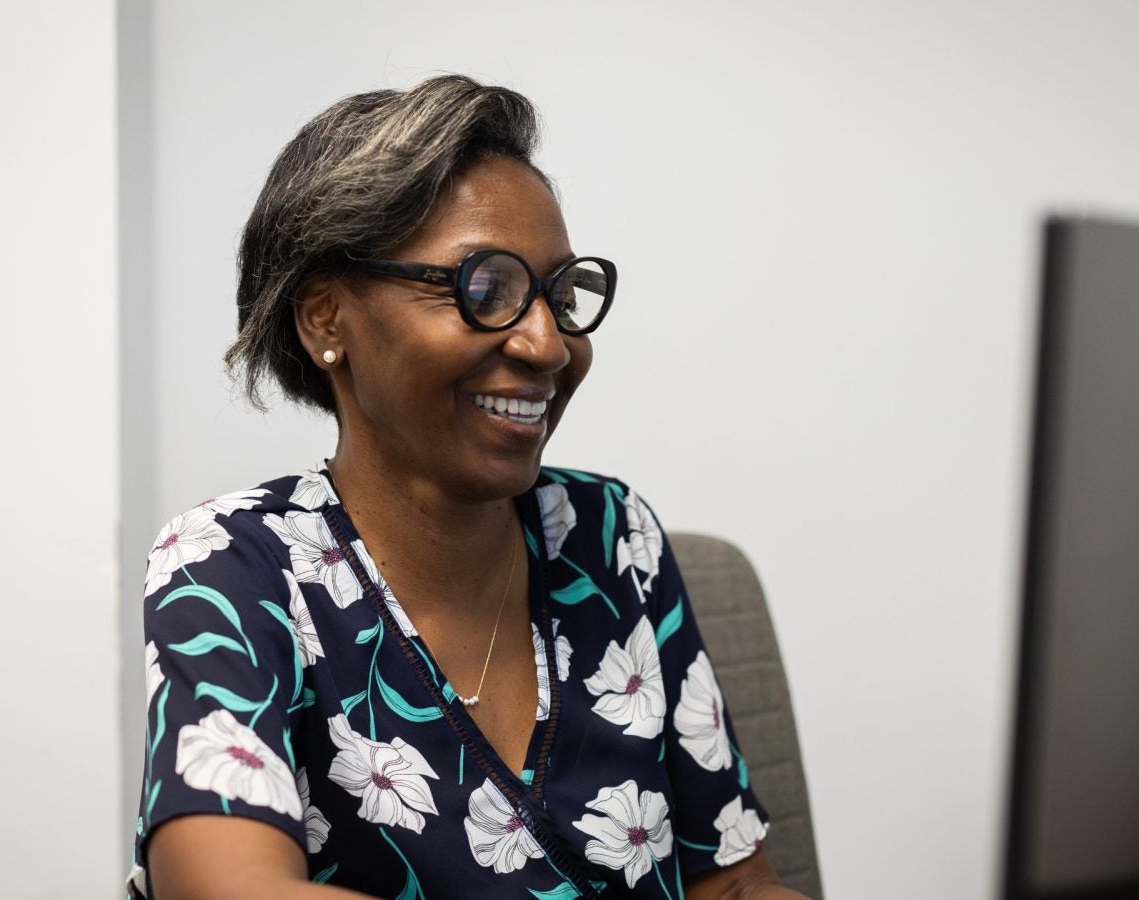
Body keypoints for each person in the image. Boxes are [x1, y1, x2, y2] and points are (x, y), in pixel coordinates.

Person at [128, 75, 801, 900]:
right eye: (487, 289)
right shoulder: (234, 567)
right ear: (326, 319)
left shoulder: (610, 535)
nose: (548, 344)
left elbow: (732, 884)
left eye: (561, 293)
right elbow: (225, 891)